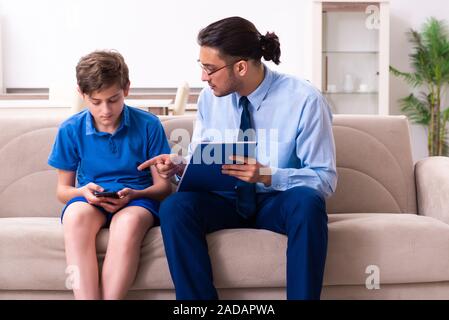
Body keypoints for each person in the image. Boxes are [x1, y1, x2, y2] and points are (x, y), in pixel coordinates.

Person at [138, 16, 337, 300]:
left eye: (210, 69)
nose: (203, 77)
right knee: (175, 207)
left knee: (308, 203)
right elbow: (204, 154)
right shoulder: (209, 99)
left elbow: (324, 179)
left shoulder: (304, 99)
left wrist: (267, 174)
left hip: (275, 200)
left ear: (241, 67)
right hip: (225, 199)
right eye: (202, 67)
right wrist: (181, 166)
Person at [48, 50, 172, 300]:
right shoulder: (70, 129)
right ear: (82, 95)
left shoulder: (149, 125)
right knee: (75, 218)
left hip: (137, 199)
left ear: (126, 89)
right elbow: (63, 191)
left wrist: (136, 193)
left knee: (128, 223)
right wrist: (82, 192)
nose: (105, 110)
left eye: (113, 99)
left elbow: (164, 188)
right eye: (95, 102)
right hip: (90, 199)